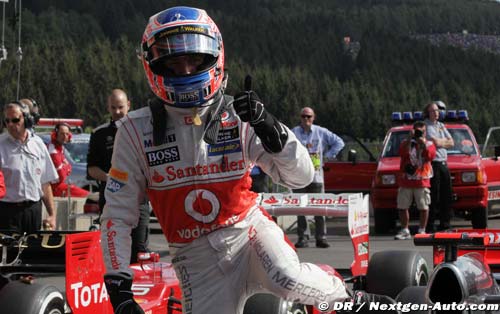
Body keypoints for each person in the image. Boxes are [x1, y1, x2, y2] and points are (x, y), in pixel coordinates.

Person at [98, 7, 393, 314]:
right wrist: (119, 289)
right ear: (153, 64)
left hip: (247, 231)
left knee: (287, 277)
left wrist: (272, 129)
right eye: (173, 61)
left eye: (194, 59)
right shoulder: (134, 131)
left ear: (215, 56)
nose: (185, 70)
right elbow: (117, 216)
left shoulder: (240, 115)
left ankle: (349, 299)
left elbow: (301, 177)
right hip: (193, 257)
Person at [87, 89, 149, 263]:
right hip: (111, 199)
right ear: (108, 107)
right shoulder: (99, 134)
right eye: (113, 108)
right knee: (113, 250)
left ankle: (141, 288)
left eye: (121, 107)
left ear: (128, 105)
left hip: (138, 198)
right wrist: (112, 178)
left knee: (139, 249)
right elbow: (92, 169)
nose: (117, 112)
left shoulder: (142, 130)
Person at [0, 101, 58, 233]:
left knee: (32, 252)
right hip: (7, 212)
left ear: (26, 120)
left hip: (33, 210)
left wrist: (52, 215)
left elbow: (45, 183)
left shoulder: (38, 144)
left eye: (15, 120)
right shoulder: (1, 145)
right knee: (10, 253)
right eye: (7, 121)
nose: (10, 125)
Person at [292, 107, 345, 248]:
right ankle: (303, 238)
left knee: (319, 207)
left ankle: (321, 237)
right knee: (300, 209)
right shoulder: (294, 133)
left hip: (316, 177)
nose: (306, 119)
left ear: (313, 117)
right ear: (300, 118)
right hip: (299, 176)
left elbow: (339, 142)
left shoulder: (320, 132)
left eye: (309, 116)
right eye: (303, 116)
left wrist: (328, 156)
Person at [394, 121, 436, 240]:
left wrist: (423, 144)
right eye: (417, 131)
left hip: (421, 179)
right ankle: (405, 230)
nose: (419, 134)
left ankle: (422, 230)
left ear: (425, 132)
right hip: (406, 179)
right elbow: (401, 153)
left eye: (421, 132)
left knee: (423, 206)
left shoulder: (429, 143)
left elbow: (430, 156)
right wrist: (409, 139)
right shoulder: (407, 143)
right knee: (402, 205)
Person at [424, 101, 454, 232]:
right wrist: (442, 142)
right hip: (433, 163)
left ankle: (445, 224)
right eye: (433, 111)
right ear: (428, 113)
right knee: (434, 196)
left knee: (446, 195)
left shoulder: (441, 125)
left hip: (444, 163)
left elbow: (452, 142)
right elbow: (434, 142)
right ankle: (430, 225)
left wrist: (441, 143)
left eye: (437, 111)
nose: (436, 113)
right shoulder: (426, 126)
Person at [47, 123, 89, 197]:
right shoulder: (52, 149)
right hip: (53, 188)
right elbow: (61, 175)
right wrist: (67, 167)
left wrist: (65, 167)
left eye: (67, 134)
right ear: (55, 134)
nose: (65, 136)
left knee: (90, 195)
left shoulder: (60, 148)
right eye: (62, 134)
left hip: (60, 186)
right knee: (89, 196)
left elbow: (68, 167)